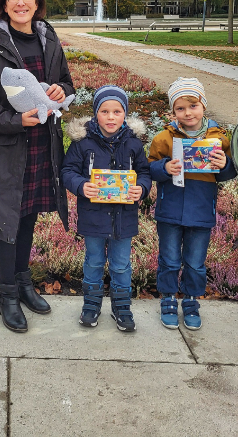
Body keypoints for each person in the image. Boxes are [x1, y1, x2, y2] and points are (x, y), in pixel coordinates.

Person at [0, 0, 75, 332]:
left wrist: (59, 89)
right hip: (6, 147)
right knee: (6, 222)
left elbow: (66, 81)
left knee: (27, 217)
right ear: (3, 3)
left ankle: (24, 281)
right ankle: (7, 294)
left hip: (42, 143)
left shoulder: (49, 39)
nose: (21, 3)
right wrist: (15, 120)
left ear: (37, 1)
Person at [148, 78, 236, 330]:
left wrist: (224, 165)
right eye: (180, 108)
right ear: (173, 112)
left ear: (203, 106)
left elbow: (227, 173)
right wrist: (164, 167)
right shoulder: (164, 138)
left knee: (195, 262)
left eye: (193, 105)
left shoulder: (219, 138)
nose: (188, 113)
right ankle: (167, 298)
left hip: (200, 209)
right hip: (170, 209)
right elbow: (149, 168)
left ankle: (190, 300)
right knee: (169, 259)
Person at [61, 86, 151, 331]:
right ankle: (91, 305)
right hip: (93, 218)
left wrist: (141, 189)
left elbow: (144, 172)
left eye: (117, 111)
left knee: (121, 264)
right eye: (104, 111)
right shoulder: (82, 144)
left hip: (124, 218)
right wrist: (82, 186)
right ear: (95, 114)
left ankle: (122, 309)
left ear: (125, 114)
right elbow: (67, 171)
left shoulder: (133, 144)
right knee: (93, 262)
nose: (111, 117)